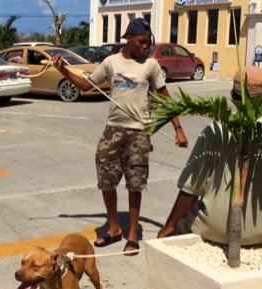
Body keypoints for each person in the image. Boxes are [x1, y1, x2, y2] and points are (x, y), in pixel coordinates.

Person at [52, 18, 188, 252]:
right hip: (112, 130)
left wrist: (178, 128)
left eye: (149, 42)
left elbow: (165, 98)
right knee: (106, 180)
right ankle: (114, 227)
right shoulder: (111, 62)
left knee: (135, 184)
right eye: (142, 42)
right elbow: (86, 86)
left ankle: (133, 234)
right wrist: (63, 69)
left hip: (138, 133)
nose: (146, 47)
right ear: (128, 39)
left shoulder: (151, 66)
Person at [158, 67, 262, 245]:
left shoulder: (217, 130)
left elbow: (190, 189)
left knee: (180, 225)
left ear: (232, 94)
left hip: (212, 229)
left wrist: (168, 227)